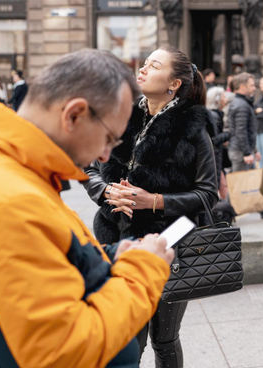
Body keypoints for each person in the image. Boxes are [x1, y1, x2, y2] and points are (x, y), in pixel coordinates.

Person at [0, 50, 173, 367]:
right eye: (109, 138)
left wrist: (111, 258)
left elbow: (47, 258)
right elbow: (60, 353)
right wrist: (143, 269)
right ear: (74, 115)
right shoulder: (7, 204)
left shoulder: (9, 169)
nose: (104, 156)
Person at [83, 46, 218, 367]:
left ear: (173, 83)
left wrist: (153, 201)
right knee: (127, 336)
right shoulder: (121, 113)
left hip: (168, 243)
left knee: (164, 338)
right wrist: (105, 192)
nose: (142, 70)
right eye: (143, 64)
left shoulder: (194, 127)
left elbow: (208, 194)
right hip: (113, 239)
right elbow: (88, 166)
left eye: (153, 66)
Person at [227, 72, 259, 172]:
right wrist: (247, 153)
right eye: (251, 85)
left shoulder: (243, 103)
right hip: (240, 153)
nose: (254, 88)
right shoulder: (241, 105)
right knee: (241, 186)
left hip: (242, 151)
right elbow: (241, 131)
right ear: (242, 87)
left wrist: (254, 150)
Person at [206, 86, 231, 199]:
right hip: (214, 157)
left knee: (222, 185)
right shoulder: (214, 115)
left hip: (216, 156)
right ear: (217, 100)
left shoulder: (215, 114)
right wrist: (228, 134)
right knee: (218, 185)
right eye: (223, 97)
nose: (226, 99)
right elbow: (212, 139)